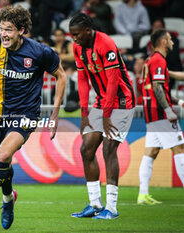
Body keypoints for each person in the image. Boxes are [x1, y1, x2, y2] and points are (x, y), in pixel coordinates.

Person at [0, 5, 66, 230]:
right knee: (1, 162)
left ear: (21, 30)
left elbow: (61, 76)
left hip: (26, 115)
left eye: (8, 30)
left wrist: (55, 112)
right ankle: (8, 200)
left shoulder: (39, 52)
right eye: (1, 29)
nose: (3, 34)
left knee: (4, 153)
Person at [68, 13, 135, 219]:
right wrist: (84, 112)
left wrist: (106, 115)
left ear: (88, 31)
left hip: (122, 101)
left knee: (109, 148)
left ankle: (112, 208)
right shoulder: (78, 47)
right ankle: (95, 204)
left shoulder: (106, 43)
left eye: (77, 34)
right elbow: (81, 79)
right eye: (72, 35)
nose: (74, 39)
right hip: (101, 101)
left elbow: (114, 82)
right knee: (86, 149)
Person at [137, 29, 184, 205]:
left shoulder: (150, 61)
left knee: (151, 152)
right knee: (180, 148)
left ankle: (143, 195)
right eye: (171, 39)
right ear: (163, 41)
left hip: (152, 114)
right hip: (161, 114)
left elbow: (158, 88)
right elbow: (157, 88)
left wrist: (178, 103)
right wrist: (169, 110)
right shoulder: (158, 60)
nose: (173, 43)